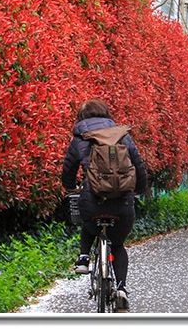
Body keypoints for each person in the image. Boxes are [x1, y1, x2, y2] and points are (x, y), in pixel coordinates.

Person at [61, 98, 148, 312]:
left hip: (93, 202)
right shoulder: (122, 136)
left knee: (88, 223)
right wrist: (139, 189)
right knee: (117, 245)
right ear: (106, 115)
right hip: (122, 202)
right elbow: (138, 165)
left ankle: (83, 258)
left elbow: (68, 170)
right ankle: (121, 289)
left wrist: (70, 187)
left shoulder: (80, 139)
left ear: (81, 118)